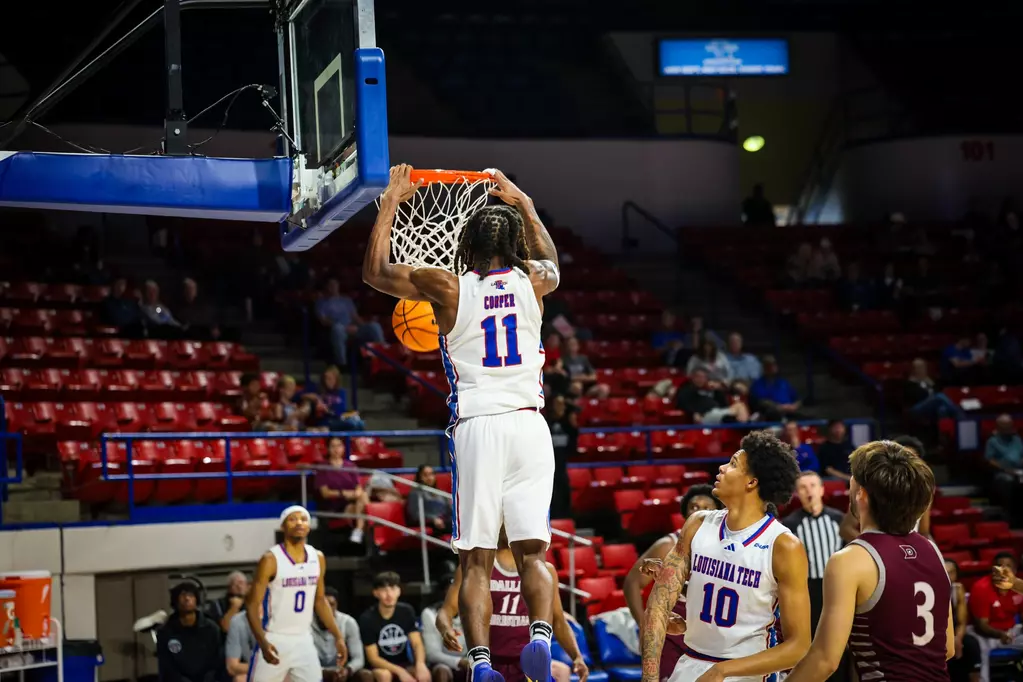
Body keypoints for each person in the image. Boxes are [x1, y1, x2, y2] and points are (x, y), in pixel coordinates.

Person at [362, 165, 561, 682]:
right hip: (531, 424)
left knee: (476, 559)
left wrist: (390, 204)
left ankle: (481, 663)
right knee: (533, 552)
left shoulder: (448, 287)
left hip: (481, 426)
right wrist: (525, 202)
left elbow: (376, 273)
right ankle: (541, 636)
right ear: (516, 242)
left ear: (465, 239)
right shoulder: (535, 281)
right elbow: (553, 263)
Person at [640, 431, 810, 682]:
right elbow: (659, 603)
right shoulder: (697, 525)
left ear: (751, 482)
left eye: (732, 464)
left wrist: (724, 670)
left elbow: (799, 646)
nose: (720, 468)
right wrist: (650, 676)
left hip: (747, 673)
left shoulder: (783, 545)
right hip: (689, 663)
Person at [783, 440, 952, 681]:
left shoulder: (850, 559)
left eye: (852, 481)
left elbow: (824, 660)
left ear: (861, 494)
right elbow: (947, 647)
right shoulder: (932, 551)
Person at [435, 527, 588, 682]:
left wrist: (577, 656)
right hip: (488, 663)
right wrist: (445, 629)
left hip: (527, 665)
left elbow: (558, 620)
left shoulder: (544, 570)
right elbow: (445, 611)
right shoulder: (476, 568)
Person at [624, 485, 722, 682]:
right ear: (686, 512)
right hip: (671, 630)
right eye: (694, 506)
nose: (699, 510)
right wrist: (643, 624)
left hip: (705, 630)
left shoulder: (723, 545)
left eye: (706, 507)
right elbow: (632, 583)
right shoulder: (668, 545)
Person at [246, 506, 348, 682]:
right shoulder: (271, 559)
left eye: (303, 519)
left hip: (303, 639)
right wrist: (262, 642)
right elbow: (251, 605)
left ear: (309, 527)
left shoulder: (318, 557)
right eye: (293, 519)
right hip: (274, 636)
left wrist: (338, 636)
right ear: (283, 527)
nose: (299, 522)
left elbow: (320, 601)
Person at [781, 471, 845, 681]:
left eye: (813, 486)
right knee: (811, 646)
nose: (809, 491)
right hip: (807, 592)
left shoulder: (839, 520)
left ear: (822, 489)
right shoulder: (790, 525)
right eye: (803, 487)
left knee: (838, 644)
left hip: (838, 590)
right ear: (797, 493)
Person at [839, 435, 933, 542]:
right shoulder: (871, 490)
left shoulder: (921, 493)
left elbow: (924, 532)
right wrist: (873, 549)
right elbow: (846, 529)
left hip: (906, 553)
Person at [358, 572, 434, 682]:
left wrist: (420, 664)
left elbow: (417, 643)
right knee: (385, 675)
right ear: (376, 593)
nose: (389, 594)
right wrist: (400, 672)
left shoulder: (406, 611)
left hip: (404, 663)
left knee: (423, 675)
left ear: (399, 591)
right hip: (379, 667)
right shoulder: (367, 618)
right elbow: (373, 658)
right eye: (384, 590)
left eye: (393, 589)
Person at [968, 552, 1023, 682]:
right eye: (999, 566)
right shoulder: (981, 588)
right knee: (977, 648)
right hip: (983, 635)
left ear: (1014, 570)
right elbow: (982, 625)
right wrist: (1001, 635)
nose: (1003, 569)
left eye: (1008, 566)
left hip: (1011, 631)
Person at [157, 582, 224, 682]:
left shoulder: (211, 629)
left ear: (197, 599)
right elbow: (167, 667)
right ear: (175, 601)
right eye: (183, 595)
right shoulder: (166, 631)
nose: (187, 599)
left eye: (191, 595)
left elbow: (218, 661)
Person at [316, 437, 370, 544]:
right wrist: (344, 493)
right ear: (328, 449)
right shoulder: (323, 468)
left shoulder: (350, 466)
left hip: (351, 504)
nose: (336, 449)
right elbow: (325, 493)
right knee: (366, 509)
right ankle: (363, 532)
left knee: (362, 497)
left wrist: (355, 494)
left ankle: (359, 530)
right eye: (333, 446)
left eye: (339, 446)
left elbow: (358, 488)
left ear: (344, 448)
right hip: (334, 507)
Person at [315, 587, 370, 682]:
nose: (327, 609)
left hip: (341, 670)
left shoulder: (348, 622)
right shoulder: (305, 624)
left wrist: (348, 670)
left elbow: (359, 658)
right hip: (315, 670)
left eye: (331, 604)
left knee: (365, 675)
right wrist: (323, 671)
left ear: (337, 605)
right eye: (324, 605)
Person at [944, 559, 981, 682]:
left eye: (951, 573)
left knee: (971, 644)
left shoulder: (957, 589)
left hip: (953, 632)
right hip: (934, 633)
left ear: (956, 575)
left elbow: (962, 622)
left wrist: (957, 639)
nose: (948, 576)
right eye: (945, 572)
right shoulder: (927, 588)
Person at [406, 465, 451, 534]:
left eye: (431, 474)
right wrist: (433, 519)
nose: (429, 477)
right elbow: (415, 514)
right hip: (430, 523)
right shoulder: (416, 494)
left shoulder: (441, 493)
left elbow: (449, 510)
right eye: (425, 475)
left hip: (445, 521)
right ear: (419, 477)